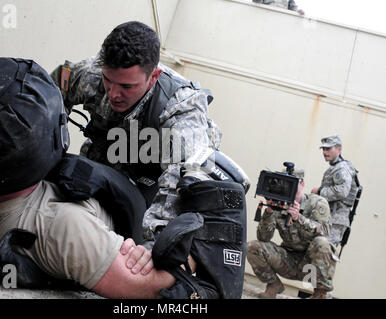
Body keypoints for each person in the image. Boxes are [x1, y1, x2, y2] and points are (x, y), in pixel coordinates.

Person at [0, 57, 188, 299]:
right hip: (126, 211)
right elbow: (157, 287)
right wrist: (197, 253)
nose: (113, 93)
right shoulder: (64, 227)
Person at [50, 21, 248, 249]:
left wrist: (153, 246)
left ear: (153, 77)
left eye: (126, 86)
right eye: (108, 80)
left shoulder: (182, 106)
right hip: (102, 168)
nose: (113, 94)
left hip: (153, 186)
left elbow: (179, 181)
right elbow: (48, 94)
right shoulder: (92, 75)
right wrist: (51, 153)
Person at [247, 169, 338, 299]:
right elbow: (263, 238)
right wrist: (268, 212)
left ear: (302, 184)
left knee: (322, 243)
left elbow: (324, 232)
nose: (287, 188)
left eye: (292, 184)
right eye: (284, 183)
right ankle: (273, 285)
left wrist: (298, 218)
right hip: (289, 261)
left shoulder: (317, 203)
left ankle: (319, 294)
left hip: (311, 266)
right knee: (252, 247)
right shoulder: (279, 205)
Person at [311, 134, 360, 247]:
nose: (324, 152)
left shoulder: (342, 168)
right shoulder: (336, 167)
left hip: (336, 220)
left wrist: (319, 191)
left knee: (324, 254)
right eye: (323, 149)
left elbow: (342, 191)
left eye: (328, 148)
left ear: (339, 149)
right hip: (330, 218)